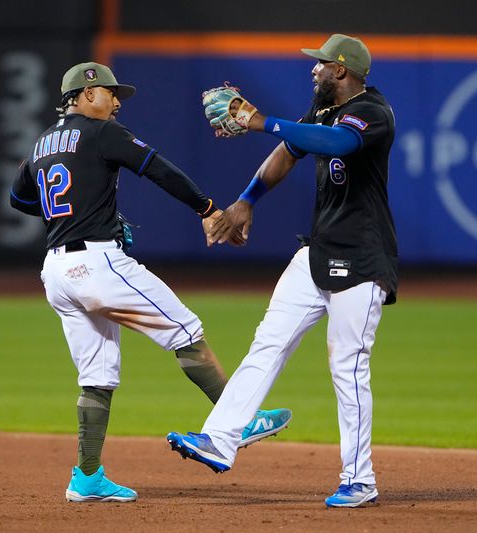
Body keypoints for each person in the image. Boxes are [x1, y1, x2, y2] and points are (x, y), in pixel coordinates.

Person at [9, 62, 292, 503]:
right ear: (85, 96)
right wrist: (209, 210)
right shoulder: (101, 133)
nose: (117, 101)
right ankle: (238, 418)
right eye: (109, 93)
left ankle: (86, 477)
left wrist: (72, 214)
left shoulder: (43, 143)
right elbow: (159, 169)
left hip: (56, 271)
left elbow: (19, 196)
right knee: (187, 332)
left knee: (96, 378)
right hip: (97, 265)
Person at [166, 34, 398, 508]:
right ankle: (220, 438)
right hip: (316, 253)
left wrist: (260, 121)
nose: (311, 70)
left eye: (318, 65)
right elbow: (288, 151)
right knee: (267, 341)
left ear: (341, 70)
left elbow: (337, 142)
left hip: (363, 256)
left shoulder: (373, 112)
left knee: (348, 368)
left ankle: (360, 480)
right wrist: (246, 201)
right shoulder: (321, 111)